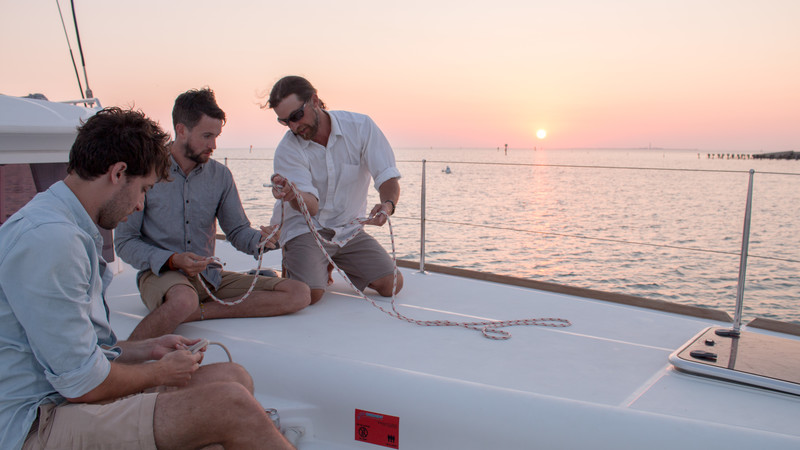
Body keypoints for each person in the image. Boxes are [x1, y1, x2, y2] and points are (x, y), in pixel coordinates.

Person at [0, 107, 293, 449]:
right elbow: (83, 384)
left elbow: (77, 355)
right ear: (118, 173)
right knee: (231, 406)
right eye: (143, 189)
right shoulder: (52, 241)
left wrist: (147, 349)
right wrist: (159, 371)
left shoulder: (63, 224)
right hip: (37, 423)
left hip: (65, 396)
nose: (140, 205)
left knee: (234, 377)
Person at [115, 88, 311, 340]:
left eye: (216, 136)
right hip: (161, 276)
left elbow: (238, 232)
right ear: (181, 129)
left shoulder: (220, 176)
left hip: (210, 277)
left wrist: (264, 241)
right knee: (183, 299)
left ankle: (197, 312)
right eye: (207, 136)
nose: (214, 145)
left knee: (299, 293)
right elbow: (124, 242)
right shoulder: (144, 171)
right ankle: (124, 359)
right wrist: (173, 260)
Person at [265, 76, 404, 304]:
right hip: (306, 228)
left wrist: (387, 206)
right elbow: (311, 206)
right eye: (284, 122)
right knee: (311, 294)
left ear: (315, 100)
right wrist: (294, 195)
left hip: (348, 229)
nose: (293, 126)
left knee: (392, 285)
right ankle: (300, 261)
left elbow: (386, 174)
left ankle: (327, 260)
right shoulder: (287, 149)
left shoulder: (361, 127)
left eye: (296, 116)